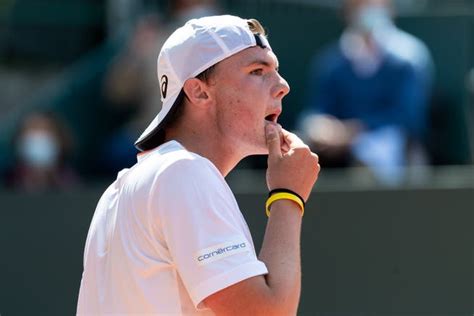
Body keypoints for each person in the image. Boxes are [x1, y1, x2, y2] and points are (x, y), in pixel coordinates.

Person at [77, 15, 320, 315]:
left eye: (276, 71)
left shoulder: (129, 185)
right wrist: (288, 195)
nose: (282, 86)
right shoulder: (183, 172)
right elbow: (268, 312)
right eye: (258, 71)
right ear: (199, 91)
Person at [299, 0, 433, 185]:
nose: (366, 10)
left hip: (394, 147)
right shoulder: (331, 62)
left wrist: (353, 131)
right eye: (358, 5)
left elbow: (408, 117)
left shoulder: (408, 59)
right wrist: (319, 126)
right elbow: (319, 109)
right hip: (337, 148)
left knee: (376, 150)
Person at [5, 111, 78, 191]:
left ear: (60, 139)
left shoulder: (72, 184)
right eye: (31, 129)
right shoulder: (7, 183)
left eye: (45, 129)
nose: (38, 137)